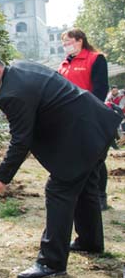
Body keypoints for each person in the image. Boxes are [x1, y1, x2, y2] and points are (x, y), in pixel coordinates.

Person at [0, 49, 121, 278]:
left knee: (58, 190)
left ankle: (51, 264)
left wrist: (2, 177)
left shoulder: (11, 94)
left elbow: (20, 141)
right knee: (85, 187)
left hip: (81, 135)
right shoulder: (21, 67)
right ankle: (90, 241)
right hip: (95, 126)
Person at [58, 28, 110, 209]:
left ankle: (100, 195)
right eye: (64, 44)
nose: (66, 47)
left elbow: (101, 89)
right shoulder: (64, 65)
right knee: (75, 156)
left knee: (95, 157)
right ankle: (80, 193)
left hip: (90, 115)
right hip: (70, 118)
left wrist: (91, 111)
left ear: (80, 40)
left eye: (68, 42)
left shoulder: (95, 59)